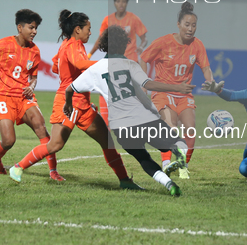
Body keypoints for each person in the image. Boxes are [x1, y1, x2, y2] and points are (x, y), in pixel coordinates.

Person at [9, 10, 142, 191]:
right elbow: (79, 64)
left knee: (107, 142)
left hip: (83, 104)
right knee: (55, 144)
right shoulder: (73, 45)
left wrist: (66, 69)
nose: (90, 32)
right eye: (88, 28)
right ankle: (18, 167)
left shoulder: (69, 45)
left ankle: (125, 180)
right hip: (68, 102)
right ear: (78, 29)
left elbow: (56, 65)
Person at [68, 26, 193, 196]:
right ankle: (178, 154)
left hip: (121, 127)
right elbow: (145, 90)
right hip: (143, 119)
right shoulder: (130, 64)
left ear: (105, 45)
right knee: (178, 142)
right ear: (124, 45)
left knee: (144, 158)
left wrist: (67, 105)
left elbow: (71, 88)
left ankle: (169, 184)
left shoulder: (95, 69)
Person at [0, 9, 64, 181]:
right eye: (31, 27)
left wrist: (31, 86)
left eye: (36, 28)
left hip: (24, 97)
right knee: (9, 141)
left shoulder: (35, 51)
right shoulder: (4, 44)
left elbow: (34, 77)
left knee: (41, 127)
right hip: (2, 95)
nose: (34, 32)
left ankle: (53, 171)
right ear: (19, 27)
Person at [139, 2, 214, 179]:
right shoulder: (163, 43)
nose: (190, 29)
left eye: (193, 25)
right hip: (163, 92)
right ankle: (166, 164)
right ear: (178, 24)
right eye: (187, 25)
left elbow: (206, 68)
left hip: (184, 94)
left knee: (190, 130)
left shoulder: (197, 45)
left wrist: (210, 81)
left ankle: (183, 165)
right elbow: (143, 59)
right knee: (170, 126)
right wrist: (144, 83)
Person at [88, 0, 148, 126]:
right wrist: (90, 54)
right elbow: (100, 39)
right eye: (118, 1)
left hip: (129, 60)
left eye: (124, 1)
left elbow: (144, 38)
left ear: (127, 3)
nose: (121, 4)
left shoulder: (133, 19)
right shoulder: (107, 20)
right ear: (114, 3)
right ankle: (107, 124)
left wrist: (141, 47)